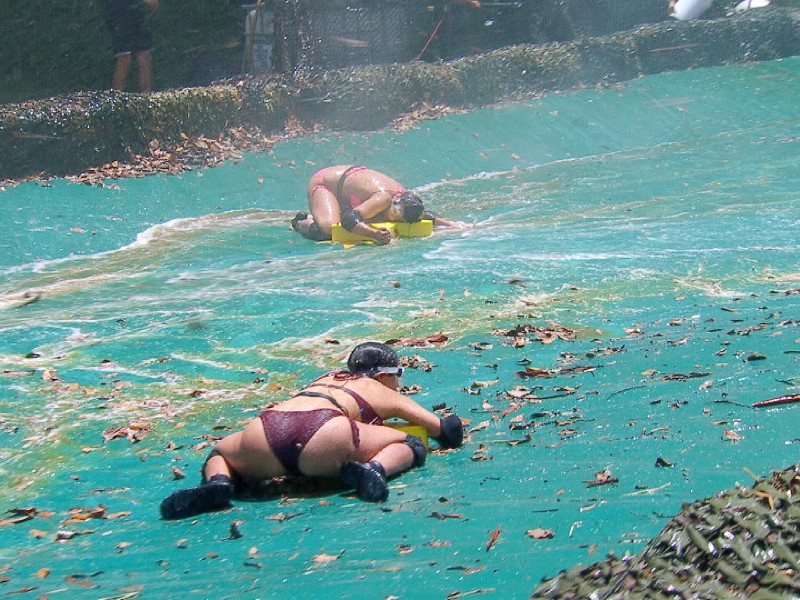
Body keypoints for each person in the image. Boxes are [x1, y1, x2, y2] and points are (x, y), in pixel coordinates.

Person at [160, 342, 464, 519]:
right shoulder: (381, 390)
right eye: (398, 373)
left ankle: (219, 484)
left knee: (221, 451)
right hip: (326, 436)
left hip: (266, 431)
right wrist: (451, 423)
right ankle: (373, 470)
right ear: (385, 374)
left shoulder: (325, 378)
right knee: (410, 442)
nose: (399, 380)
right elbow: (444, 432)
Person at [291, 165, 466, 244]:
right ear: (396, 202)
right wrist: (374, 234)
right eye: (395, 214)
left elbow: (423, 214)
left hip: (349, 188)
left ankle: (322, 213)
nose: (394, 219)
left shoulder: (405, 202)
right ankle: (302, 221)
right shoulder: (384, 199)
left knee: (376, 216)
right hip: (325, 184)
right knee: (330, 230)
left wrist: (451, 225)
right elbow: (348, 220)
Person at [101, 0, 159, 92]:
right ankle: (116, 100)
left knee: (145, 56)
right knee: (124, 58)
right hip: (117, 12)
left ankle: (146, 99)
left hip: (135, 11)